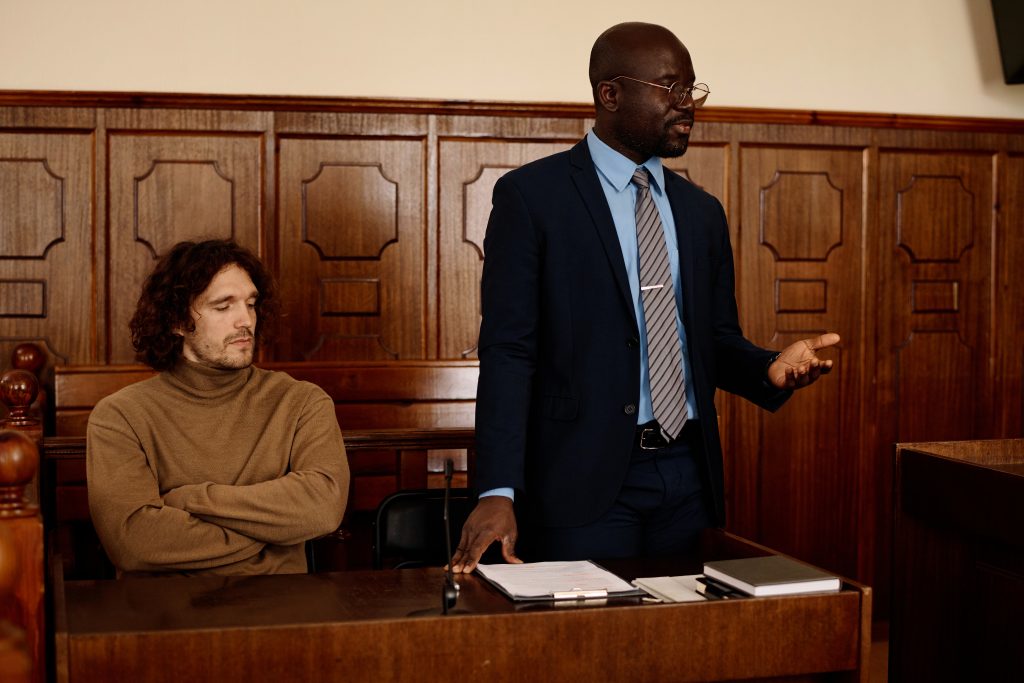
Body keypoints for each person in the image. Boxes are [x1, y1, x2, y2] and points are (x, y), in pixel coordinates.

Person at [451, 22, 839, 572]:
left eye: (692, 90)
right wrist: (497, 489)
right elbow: (509, 352)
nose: (688, 105)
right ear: (610, 94)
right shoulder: (532, 198)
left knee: (678, 650)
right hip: (578, 481)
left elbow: (712, 341)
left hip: (687, 479)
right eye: (671, 88)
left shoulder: (701, 213)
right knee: (587, 650)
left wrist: (767, 368)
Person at [87, 239, 350, 576]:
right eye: (223, 307)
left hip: (281, 610)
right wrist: (273, 534)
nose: (245, 320)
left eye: (251, 304)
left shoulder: (301, 401)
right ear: (177, 321)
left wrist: (187, 500)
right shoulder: (120, 416)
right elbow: (134, 542)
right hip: (167, 617)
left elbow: (322, 510)